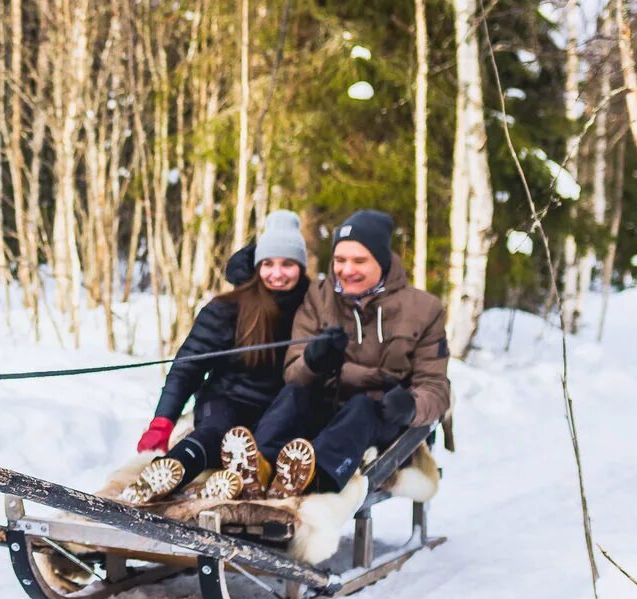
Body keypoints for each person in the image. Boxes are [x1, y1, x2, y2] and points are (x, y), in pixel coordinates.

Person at [236, 208, 451, 498]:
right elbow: (293, 372)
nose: (346, 270)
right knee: (293, 396)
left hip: (379, 416)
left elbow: (436, 388)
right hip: (326, 404)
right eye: (340, 260)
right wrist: (314, 359)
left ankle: (311, 483)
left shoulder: (424, 310)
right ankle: (258, 470)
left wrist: (410, 405)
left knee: (360, 409)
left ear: (382, 262)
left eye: (359, 260)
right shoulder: (318, 297)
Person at [123, 210, 311, 505]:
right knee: (216, 433)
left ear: (301, 266)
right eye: (269, 264)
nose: (277, 273)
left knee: (264, 445)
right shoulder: (228, 309)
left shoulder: (313, 308)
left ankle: (230, 484)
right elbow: (188, 368)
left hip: (278, 410)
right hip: (227, 399)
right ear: (257, 265)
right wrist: (162, 421)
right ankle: (164, 475)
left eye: (287, 264)